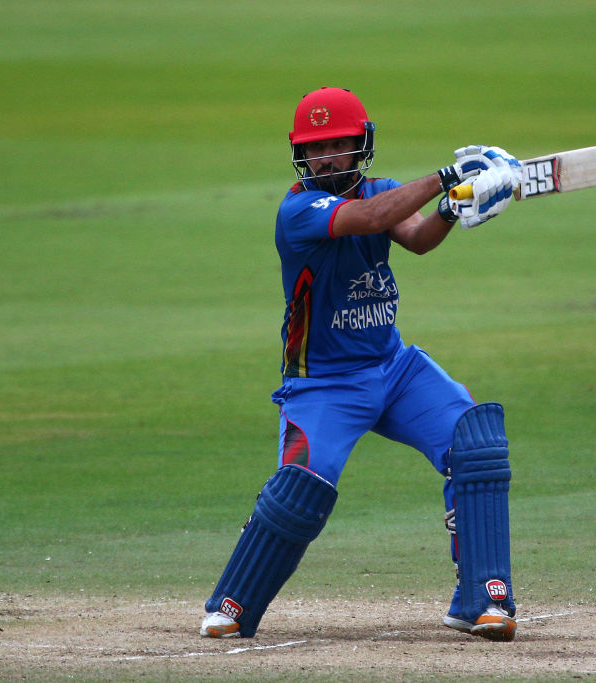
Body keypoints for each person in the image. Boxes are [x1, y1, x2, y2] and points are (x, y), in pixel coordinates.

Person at [200, 87, 521, 642]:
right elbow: (370, 216)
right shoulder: (298, 209)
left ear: (360, 145)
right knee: (303, 486)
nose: (326, 158)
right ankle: (233, 603)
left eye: (338, 145)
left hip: (393, 368)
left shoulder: (385, 191)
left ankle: (484, 601)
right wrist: (450, 178)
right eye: (314, 147)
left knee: (476, 443)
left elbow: (416, 237)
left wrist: (451, 209)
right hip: (322, 384)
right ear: (299, 154)